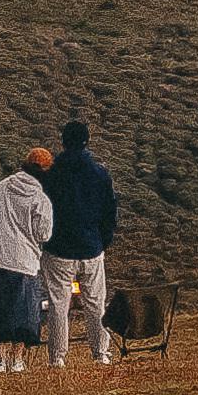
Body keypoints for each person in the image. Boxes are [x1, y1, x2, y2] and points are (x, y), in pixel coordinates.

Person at [39, 118, 118, 370]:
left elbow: (43, 210)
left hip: (59, 248)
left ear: (63, 141)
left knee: (58, 306)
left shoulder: (51, 174)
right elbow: (109, 213)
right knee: (95, 304)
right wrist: (102, 242)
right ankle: (100, 353)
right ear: (87, 141)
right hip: (91, 246)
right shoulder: (100, 174)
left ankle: (58, 358)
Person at [0, 146, 54, 373]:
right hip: (25, 260)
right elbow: (44, 234)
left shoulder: (3, 186)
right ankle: (17, 360)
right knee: (24, 313)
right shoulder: (40, 198)